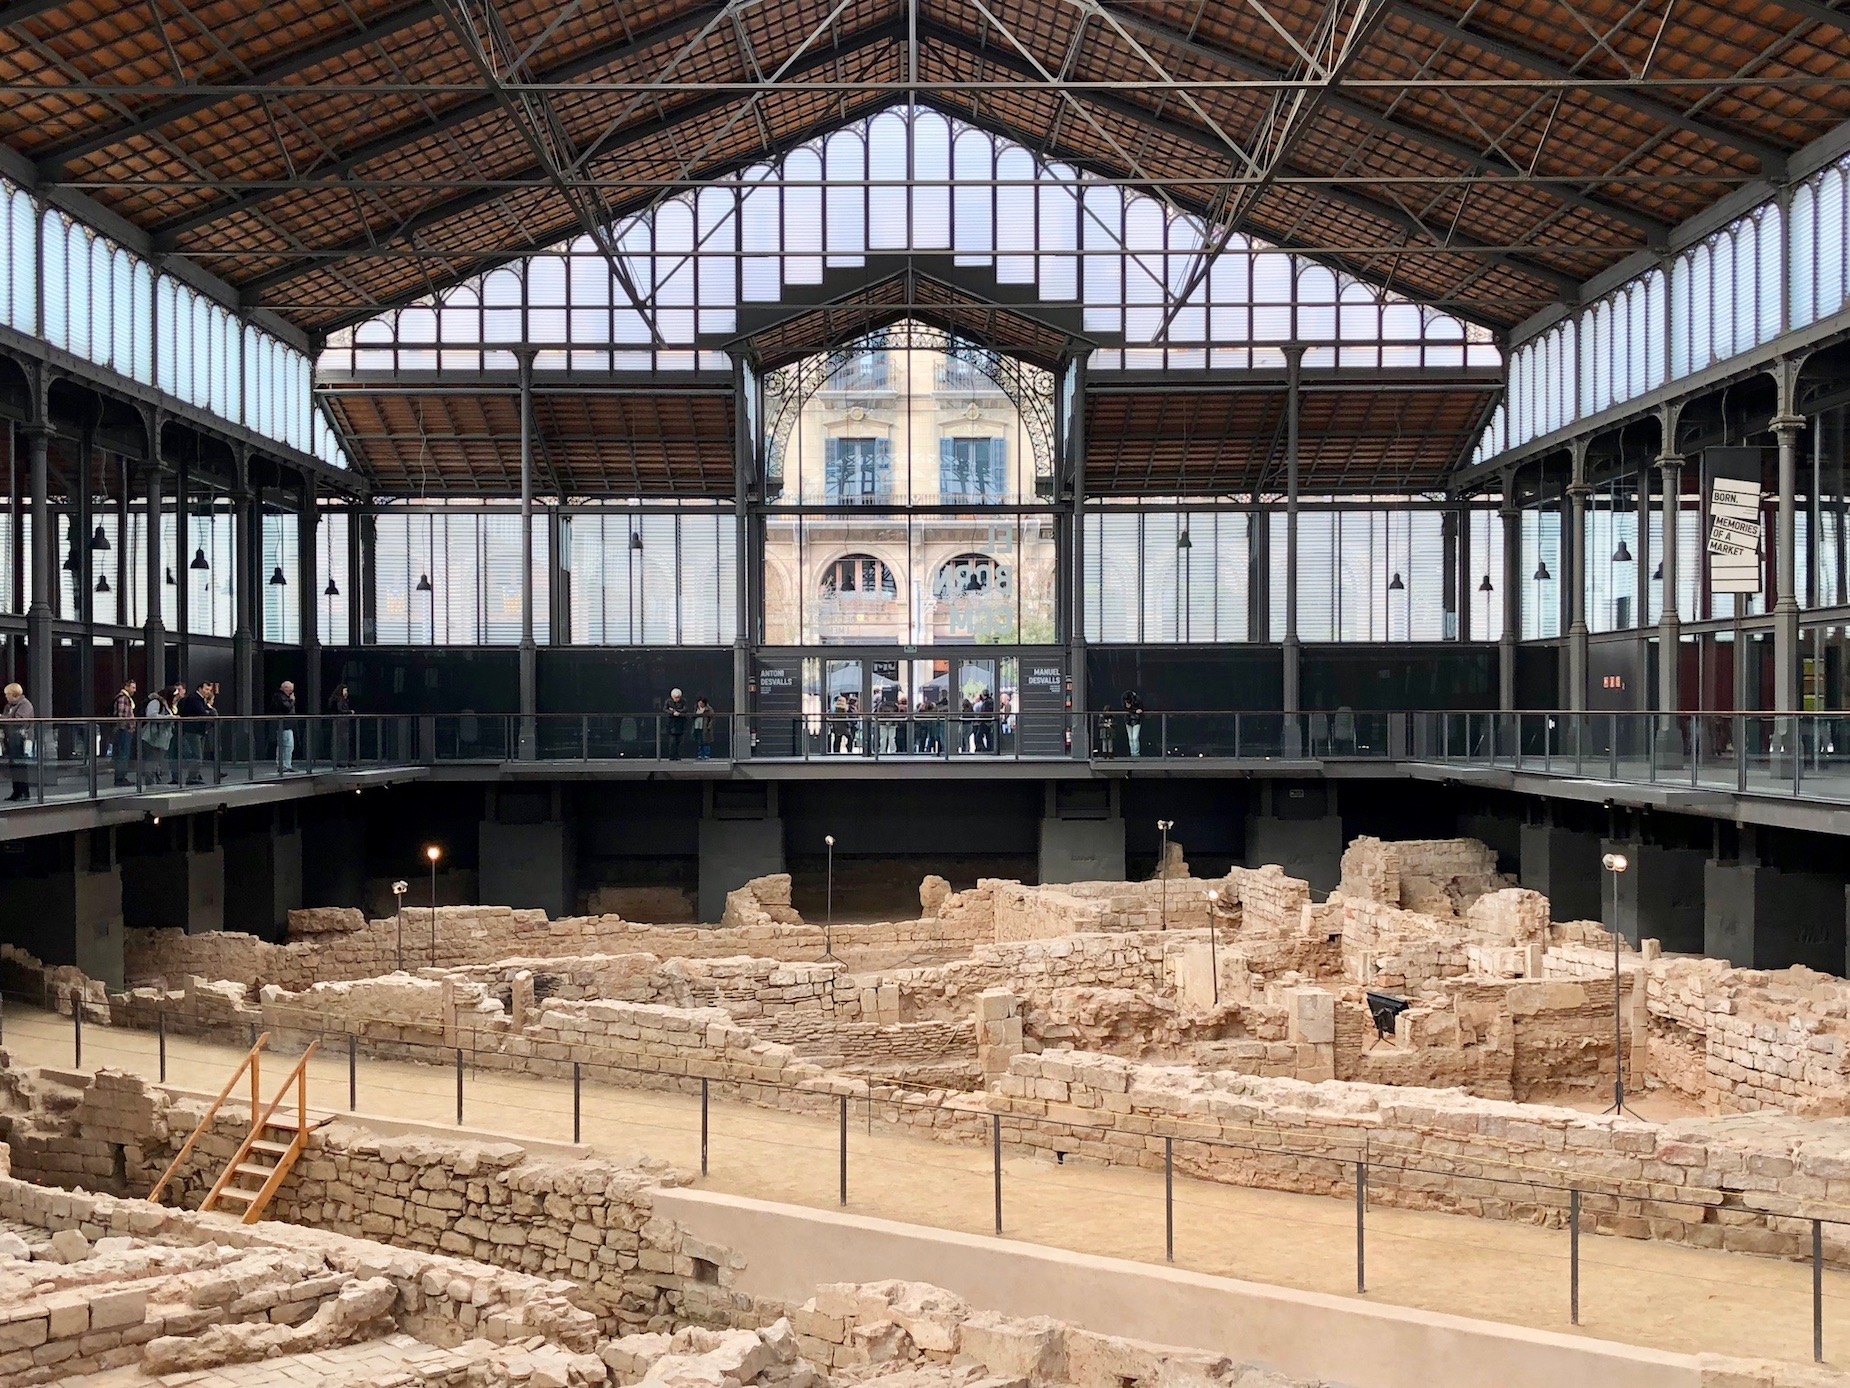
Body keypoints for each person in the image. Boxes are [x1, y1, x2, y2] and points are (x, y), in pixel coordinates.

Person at [3, 682, 35, 801]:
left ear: (14, 694)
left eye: (7, 694)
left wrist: (3, 718)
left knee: (20, 766)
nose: (6, 696)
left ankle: (23, 792)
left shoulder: (25, 704)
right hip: (12, 738)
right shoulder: (9, 706)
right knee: (14, 766)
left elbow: (20, 721)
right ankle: (16, 791)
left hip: (21, 739)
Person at [176, 680, 210, 784]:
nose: (208, 692)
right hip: (193, 730)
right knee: (197, 755)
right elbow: (201, 712)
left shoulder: (201, 699)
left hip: (199, 730)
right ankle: (191, 777)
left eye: (209, 690)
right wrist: (208, 713)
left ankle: (195, 775)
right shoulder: (194, 698)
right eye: (206, 689)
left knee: (198, 755)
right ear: (200, 689)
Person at [141, 685, 175, 784]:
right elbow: (151, 715)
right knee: (152, 761)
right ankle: (150, 782)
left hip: (162, 737)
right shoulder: (156, 702)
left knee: (156, 761)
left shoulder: (165, 704)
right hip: (154, 736)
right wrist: (168, 718)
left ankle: (155, 780)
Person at [110, 678, 138, 786]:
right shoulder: (123, 698)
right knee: (123, 754)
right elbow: (122, 715)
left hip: (124, 730)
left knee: (123, 754)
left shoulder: (125, 698)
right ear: (126, 687)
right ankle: (120, 777)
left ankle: (121, 776)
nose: (134, 690)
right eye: (133, 687)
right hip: (124, 730)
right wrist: (127, 726)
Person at [271, 680, 298, 774]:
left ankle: (287, 764)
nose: (291, 692)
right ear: (285, 689)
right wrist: (292, 701)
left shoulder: (284, 697)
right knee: (285, 745)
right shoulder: (279, 696)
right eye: (290, 689)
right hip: (283, 725)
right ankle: (283, 765)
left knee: (289, 746)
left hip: (287, 725)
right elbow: (286, 708)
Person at [327, 684, 354, 765]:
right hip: (341, 722)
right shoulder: (339, 699)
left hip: (340, 722)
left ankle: (342, 760)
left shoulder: (338, 699)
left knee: (341, 742)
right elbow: (340, 709)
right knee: (341, 741)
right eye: (345, 690)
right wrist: (350, 712)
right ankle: (341, 760)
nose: (346, 692)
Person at [663, 688, 688, 760]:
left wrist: (678, 712)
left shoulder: (683, 701)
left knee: (680, 742)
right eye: (675, 697)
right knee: (672, 741)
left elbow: (685, 709)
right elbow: (665, 709)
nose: (677, 699)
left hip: (681, 724)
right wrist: (672, 713)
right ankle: (671, 756)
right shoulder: (668, 701)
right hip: (671, 724)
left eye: (678, 697)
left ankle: (678, 756)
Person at [1123, 690, 1145, 759]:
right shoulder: (1124, 699)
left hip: (1136, 720)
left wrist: (1134, 710)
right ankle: (1132, 753)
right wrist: (1134, 711)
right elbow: (1125, 709)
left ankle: (1136, 753)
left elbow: (1141, 708)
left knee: (1135, 737)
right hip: (1128, 720)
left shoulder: (1137, 700)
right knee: (1130, 738)